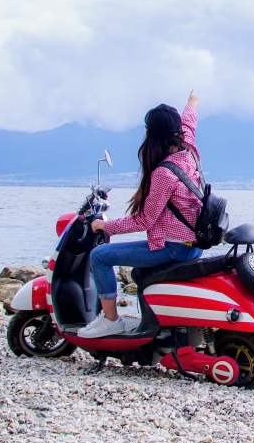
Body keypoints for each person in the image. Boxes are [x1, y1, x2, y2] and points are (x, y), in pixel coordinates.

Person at [77, 89, 205, 338]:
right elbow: (190, 122)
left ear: (150, 135)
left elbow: (145, 219)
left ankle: (111, 320)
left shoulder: (164, 174)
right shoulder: (188, 149)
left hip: (173, 248)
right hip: (193, 245)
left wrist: (106, 227)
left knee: (99, 256)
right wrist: (192, 102)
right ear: (176, 131)